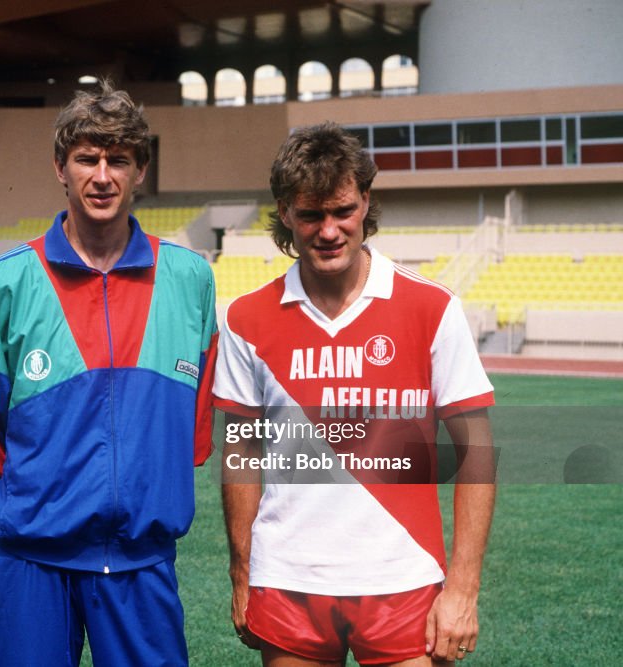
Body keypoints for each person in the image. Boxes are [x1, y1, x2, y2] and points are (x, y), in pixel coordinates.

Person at [0, 80, 218, 667]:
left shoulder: (190, 278)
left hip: (143, 563)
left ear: (139, 170)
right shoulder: (6, 280)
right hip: (33, 562)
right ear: (60, 167)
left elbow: (194, 438)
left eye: (118, 159)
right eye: (87, 158)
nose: (102, 176)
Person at [214, 122, 496, 666]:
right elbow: (242, 452)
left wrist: (463, 588)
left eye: (342, 211)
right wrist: (243, 572)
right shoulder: (245, 319)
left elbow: (476, 451)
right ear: (285, 213)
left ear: (366, 201)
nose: (329, 231)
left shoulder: (430, 308)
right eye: (311, 214)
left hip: (404, 576)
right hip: (288, 578)